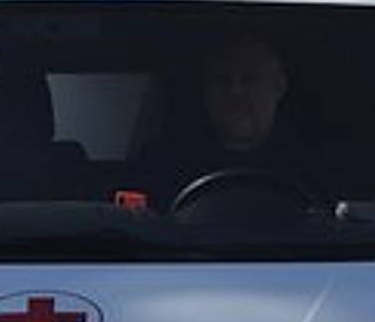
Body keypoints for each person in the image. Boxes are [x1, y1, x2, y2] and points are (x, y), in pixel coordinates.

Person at [137, 36, 319, 210]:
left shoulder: (316, 164)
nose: (235, 91)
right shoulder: (164, 163)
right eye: (222, 79)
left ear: (278, 87)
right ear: (205, 89)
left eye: (250, 79)